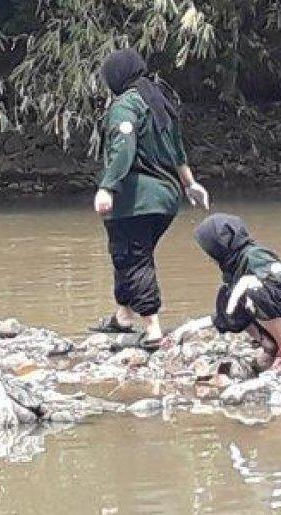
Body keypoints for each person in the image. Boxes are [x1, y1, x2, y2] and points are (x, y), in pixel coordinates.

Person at [90, 47, 210, 350]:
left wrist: (107, 187)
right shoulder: (159, 101)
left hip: (136, 199)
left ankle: (153, 328)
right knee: (128, 254)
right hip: (166, 198)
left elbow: (123, 147)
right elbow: (178, 149)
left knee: (134, 257)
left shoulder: (126, 105)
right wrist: (191, 184)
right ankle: (123, 316)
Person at [170, 213, 281, 371]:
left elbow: (279, 281)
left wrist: (250, 282)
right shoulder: (232, 267)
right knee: (227, 295)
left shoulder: (254, 255)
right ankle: (269, 345)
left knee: (252, 290)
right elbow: (226, 312)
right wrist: (190, 327)